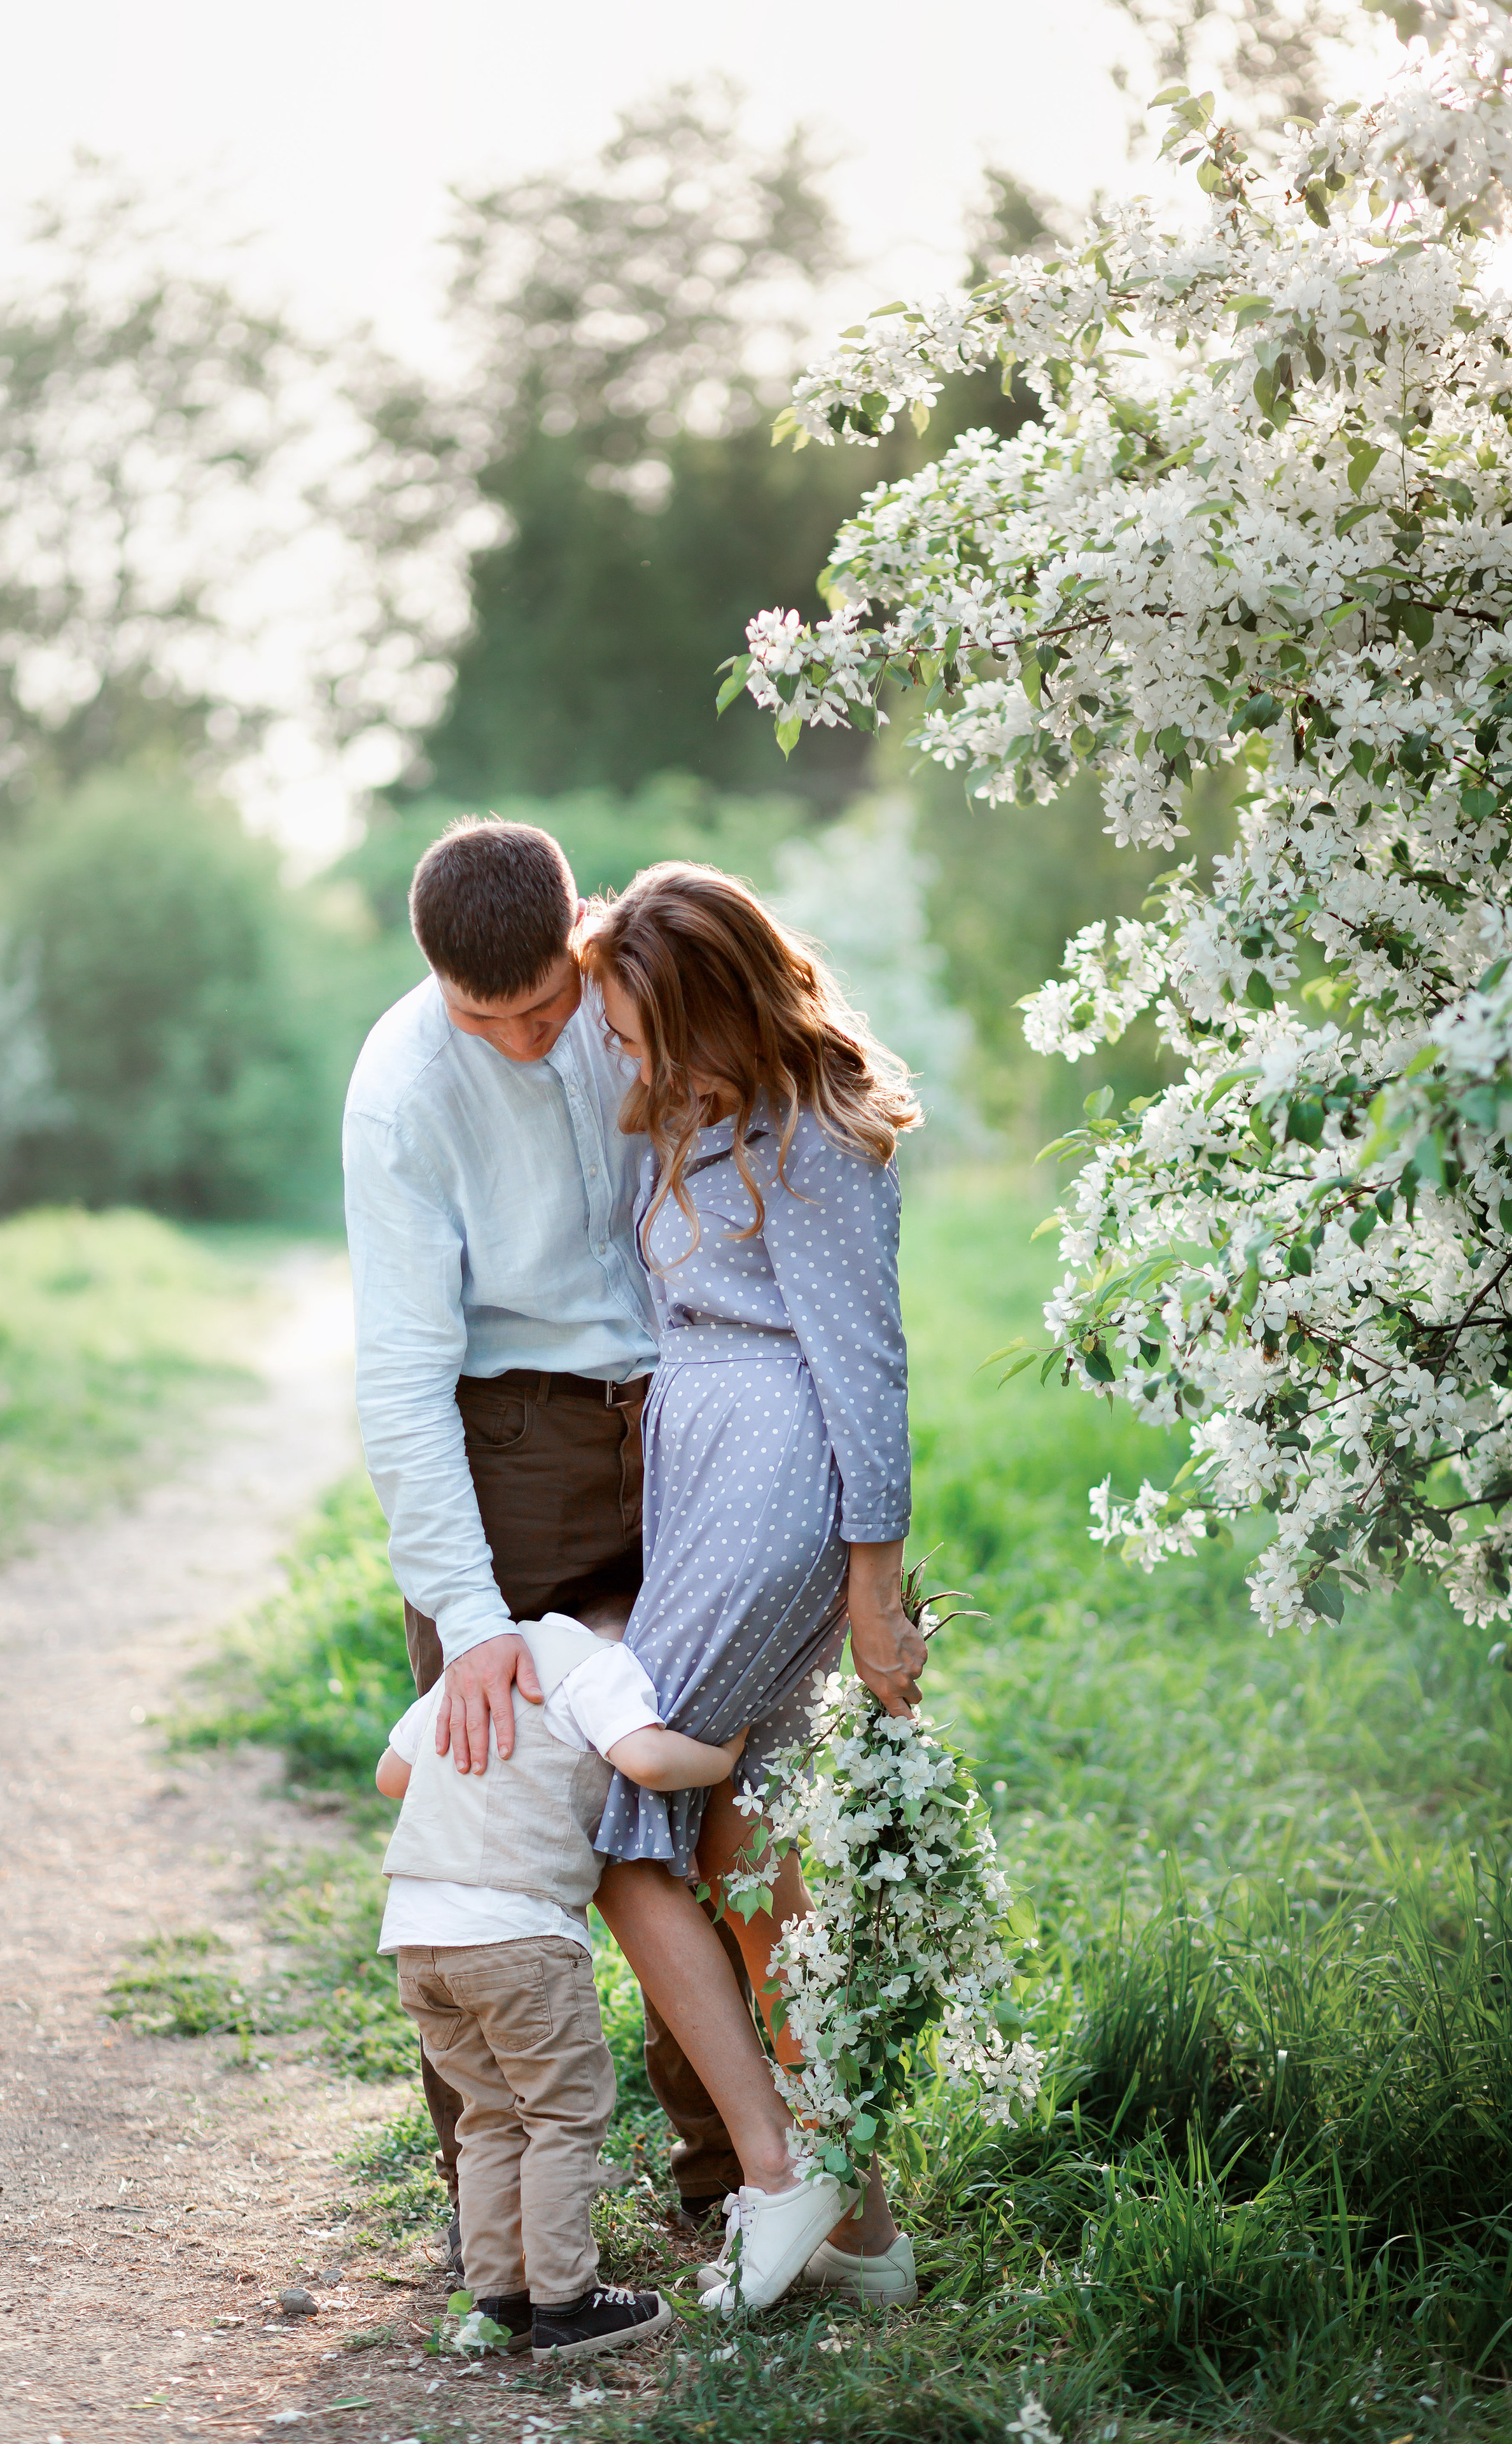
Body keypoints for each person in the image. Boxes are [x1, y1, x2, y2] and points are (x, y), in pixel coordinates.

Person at [340, 816, 748, 2259]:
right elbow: (399, 1371)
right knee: (486, 1799)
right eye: (484, 1016)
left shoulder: (630, 992)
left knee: (699, 1795)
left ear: (576, 937)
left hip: (680, 1412)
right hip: (505, 1442)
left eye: (545, 1007)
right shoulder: (400, 1089)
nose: (524, 1039)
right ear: (436, 981)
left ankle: (727, 2177)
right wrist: (468, 1619)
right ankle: (499, 2219)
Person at [577, 861, 928, 2312]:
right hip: (710, 1489)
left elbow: (865, 1369)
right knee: (735, 1842)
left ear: (712, 1006)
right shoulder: (699, 1113)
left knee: (619, 1827)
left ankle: (776, 2175)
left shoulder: (816, 1141)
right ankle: (863, 2232)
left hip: (782, 1497)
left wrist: (872, 1589)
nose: (629, 1055)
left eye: (642, 1025)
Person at [375, 1601, 746, 2359]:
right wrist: (722, 1753)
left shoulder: (477, 1664)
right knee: (561, 2113)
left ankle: (499, 2300)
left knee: (486, 2116)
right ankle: (567, 2303)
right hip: (518, 1936)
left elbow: (392, 1776)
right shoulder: (601, 1665)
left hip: (420, 1937)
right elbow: (647, 1759)